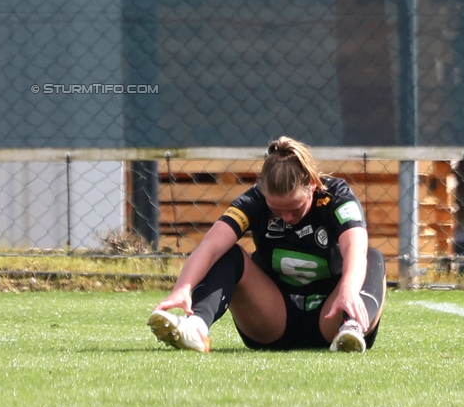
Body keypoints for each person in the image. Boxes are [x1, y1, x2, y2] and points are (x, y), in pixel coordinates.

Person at [148, 136, 386, 353]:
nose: (286, 218)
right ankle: (196, 327)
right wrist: (181, 289)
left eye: (294, 209)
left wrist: (348, 290)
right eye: (276, 209)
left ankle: (352, 327)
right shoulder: (253, 201)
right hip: (272, 322)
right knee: (227, 252)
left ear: (313, 186)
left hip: (332, 318)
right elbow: (210, 247)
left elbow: (355, 245)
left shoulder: (336, 196)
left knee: (370, 257)